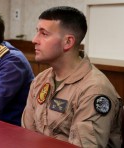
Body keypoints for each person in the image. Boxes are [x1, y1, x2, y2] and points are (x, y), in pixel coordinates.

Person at [21, 6, 122, 147]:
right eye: (37, 32)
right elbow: (27, 135)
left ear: (68, 42)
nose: (34, 40)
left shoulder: (94, 89)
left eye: (44, 34)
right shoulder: (41, 80)